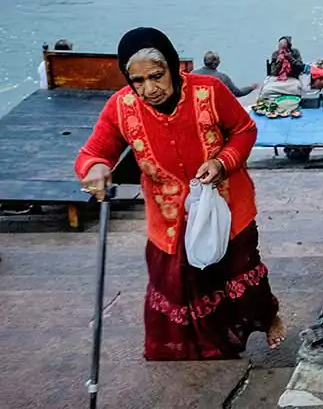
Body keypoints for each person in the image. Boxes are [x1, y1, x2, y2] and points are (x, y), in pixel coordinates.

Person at [76, 27, 286, 360]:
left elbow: (245, 130)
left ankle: (269, 317)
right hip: (168, 216)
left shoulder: (210, 91)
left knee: (237, 270)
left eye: (157, 76)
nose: (149, 89)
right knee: (176, 282)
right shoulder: (121, 107)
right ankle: (206, 345)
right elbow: (93, 152)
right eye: (138, 81)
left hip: (226, 204)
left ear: (173, 67)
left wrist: (221, 162)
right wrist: (95, 168)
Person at [193, 51, 259, 98]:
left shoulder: (192, 74)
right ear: (217, 63)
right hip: (215, 110)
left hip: (197, 107)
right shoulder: (222, 77)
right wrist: (251, 88)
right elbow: (238, 93)